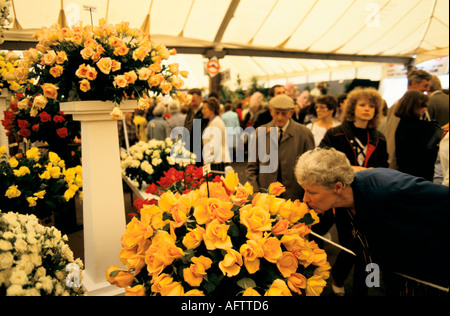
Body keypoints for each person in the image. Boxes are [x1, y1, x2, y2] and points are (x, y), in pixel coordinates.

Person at [295, 147, 449, 295]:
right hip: (394, 273)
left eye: (311, 192)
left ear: (338, 187)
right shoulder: (340, 205)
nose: (305, 199)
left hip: (428, 273)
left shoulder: (389, 188)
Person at [315, 87, 388, 296]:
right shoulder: (335, 133)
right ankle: (338, 276)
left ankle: (360, 288)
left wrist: (369, 172)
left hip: (367, 198)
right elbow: (320, 159)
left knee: (366, 247)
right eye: (362, 105)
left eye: (371, 106)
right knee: (351, 243)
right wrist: (352, 170)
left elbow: (383, 166)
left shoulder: (379, 138)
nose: (367, 109)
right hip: (337, 197)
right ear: (352, 108)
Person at [246, 94, 314, 201]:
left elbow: (311, 169)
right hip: (265, 196)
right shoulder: (260, 132)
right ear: (271, 111)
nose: (279, 117)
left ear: (291, 113)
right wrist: (255, 191)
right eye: (276, 113)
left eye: (284, 113)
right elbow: (251, 167)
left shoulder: (304, 134)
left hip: (295, 196)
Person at [384, 69, 432, 170]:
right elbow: (392, 136)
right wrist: (391, 165)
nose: (427, 89)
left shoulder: (419, 107)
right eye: (425, 85)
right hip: (402, 167)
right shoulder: (400, 106)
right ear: (414, 83)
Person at [395, 90, 444, 181]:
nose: (425, 109)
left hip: (406, 176)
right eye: (423, 106)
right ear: (413, 106)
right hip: (419, 177)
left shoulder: (402, 125)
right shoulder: (419, 127)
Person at [201, 97, 230, 174]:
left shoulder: (216, 122)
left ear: (212, 109)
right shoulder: (212, 121)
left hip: (217, 162)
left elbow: (213, 146)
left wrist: (206, 163)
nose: (202, 111)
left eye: (204, 108)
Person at [184, 88, 208, 160]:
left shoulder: (204, 113)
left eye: (194, 101)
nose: (191, 104)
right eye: (190, 101)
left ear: (200, 99)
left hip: (199, 152)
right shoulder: (190, 110)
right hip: (190, 149)